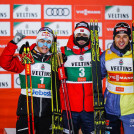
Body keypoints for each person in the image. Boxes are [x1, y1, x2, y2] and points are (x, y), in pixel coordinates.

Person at [0, 27, 54, 134]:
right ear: (37, 41)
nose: (45, 45)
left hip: (47, 111)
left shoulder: (55, 60)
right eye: (42, 41)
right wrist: (13, 42)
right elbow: (4, 63)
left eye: (48, 42)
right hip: (27, 109)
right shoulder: (26, 57)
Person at [59, 21, 95, 134]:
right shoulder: (62, 52)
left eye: (85, 35)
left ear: (89, 37)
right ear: (74, 35)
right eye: (78, 34)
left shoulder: (96, 52)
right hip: (69, 106)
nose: (81, 37)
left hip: (90, 107)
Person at [100, 22, 134, 134]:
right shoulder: (106, 55)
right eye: (118, 36)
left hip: (131, 110)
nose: (121, 40)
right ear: (114, 38)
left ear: (129, 38)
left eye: (125, 36)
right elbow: (98, 76)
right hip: (110, 109)